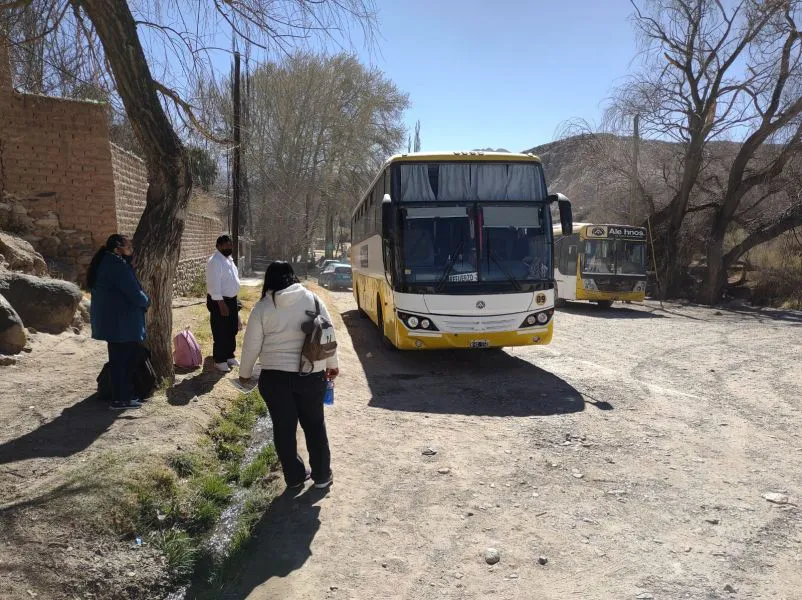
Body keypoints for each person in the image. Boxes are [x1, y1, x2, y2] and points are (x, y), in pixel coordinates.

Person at [239, 261, 338, 490]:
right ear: (293, 276)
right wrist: (332, 365)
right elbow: (328, 335)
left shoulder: (263, 307)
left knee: (283, 429)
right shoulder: (313, 300)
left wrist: (245, 374)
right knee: (315, 426)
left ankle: (294, 477)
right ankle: (322, 476)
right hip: (311, 376)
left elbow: (250, 346)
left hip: (275, 380)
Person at [87, 234, 150, 410]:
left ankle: (123, 396)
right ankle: (121, 399)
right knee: (123, 362)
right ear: (117, 249)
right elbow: (134, 293)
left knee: (119, 360)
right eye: (128, 248)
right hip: (121, 323)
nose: (131, 251)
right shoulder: (117, 266)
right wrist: (147, 301)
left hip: (116, 321)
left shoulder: (108, 263)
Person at [206, 234, 242, 372]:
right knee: (220, 329)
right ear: (218, 246)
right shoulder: (215, 261)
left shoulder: (229, 260)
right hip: (219, 300)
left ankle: (229, 355)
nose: (228, 247)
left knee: (231, 328)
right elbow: (214, 285)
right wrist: (221, 304)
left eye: (230, 244)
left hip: (231, 300)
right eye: (225, 244)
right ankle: (219, 359)